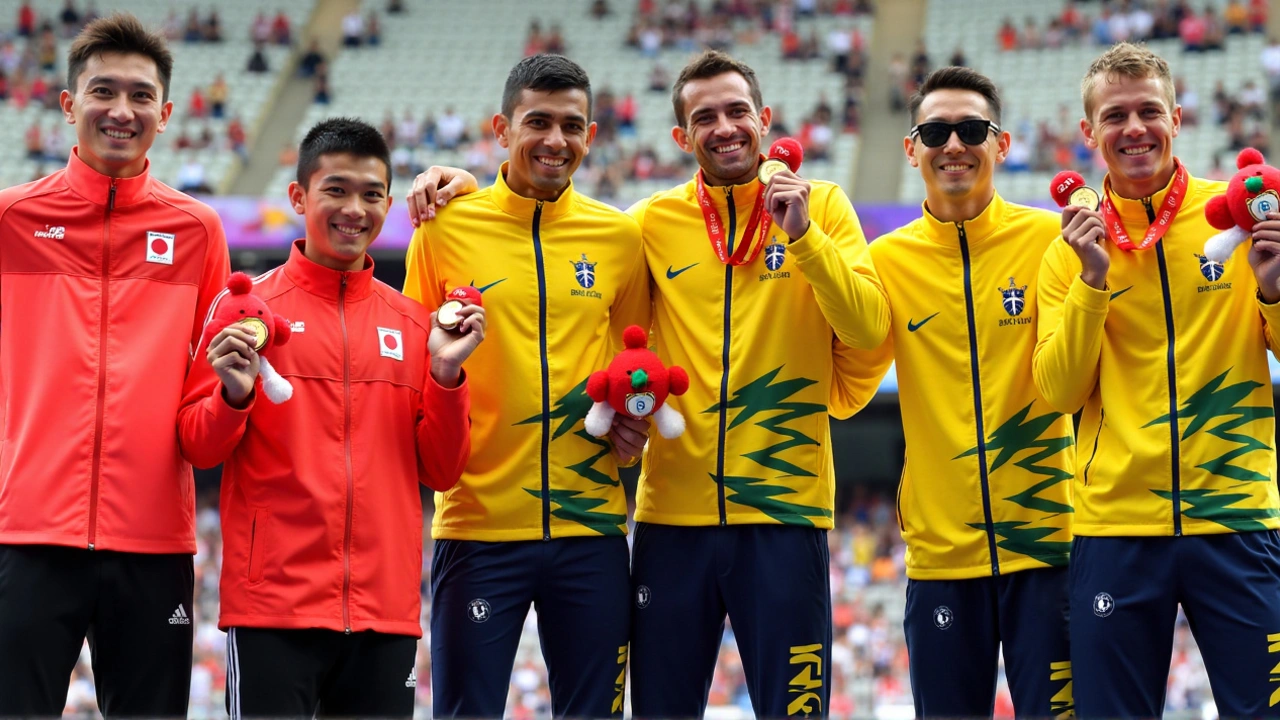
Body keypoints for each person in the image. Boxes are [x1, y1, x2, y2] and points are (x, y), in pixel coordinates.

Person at [177, 117, 481, 717]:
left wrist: (447, 379)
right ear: (298, 197)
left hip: (384, 612)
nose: (354, 209)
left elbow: (442, 471)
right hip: (272, 610)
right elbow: (197, 446)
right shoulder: (247, 310)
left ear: (389, 205)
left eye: (371, 194)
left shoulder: (416, 323)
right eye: (335, 190)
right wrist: (232, 398)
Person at [625, 50, 887, 717]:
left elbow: (865, 330)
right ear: (682, 138)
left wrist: (803, 239)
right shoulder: (651, 221)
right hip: (672, 518)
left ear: (764, 119)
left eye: (737, 110)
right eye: (703, 116)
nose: (724, 126)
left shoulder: (823, 203)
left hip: (784, 514)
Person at [1034, 41, 1280, 718]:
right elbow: (1056, 392)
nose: (1134, 128)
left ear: (1177, 118)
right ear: (1088, 133)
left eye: (1149, 110)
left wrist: (1274, 293)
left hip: (1235, 516)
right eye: (1115, 115)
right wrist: (1090, 283)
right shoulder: (1068, 247)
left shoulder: (1241, 218)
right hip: (1116, 529)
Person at [402, 54, 650, 719]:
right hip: (477, 527)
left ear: (591, 136)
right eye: (537, 121)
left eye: (572, 125)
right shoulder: (444, 227)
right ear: (501, 129)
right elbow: (415, 378)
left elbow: (632, 367)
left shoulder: (620, 239)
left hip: (591, 530)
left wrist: (635, 427)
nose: (555, 140)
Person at [0, 13, 230, 715]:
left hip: (154, 542)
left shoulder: (197, 231)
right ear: (69, 105)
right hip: (28, 534)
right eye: (103, 91)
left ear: (165, 113)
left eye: (140, 96)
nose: (121, 110)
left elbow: (211, 395)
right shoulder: (10, 221)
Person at [848, 66, 1074, 717]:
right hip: (942, 560)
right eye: (937, 130)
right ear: (910, 145)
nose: (953, 144)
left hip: (1050, 547)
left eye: (971, 129)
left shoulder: (1051, 240)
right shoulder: (885, 259)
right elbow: (847, 392)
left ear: (1002, 144)